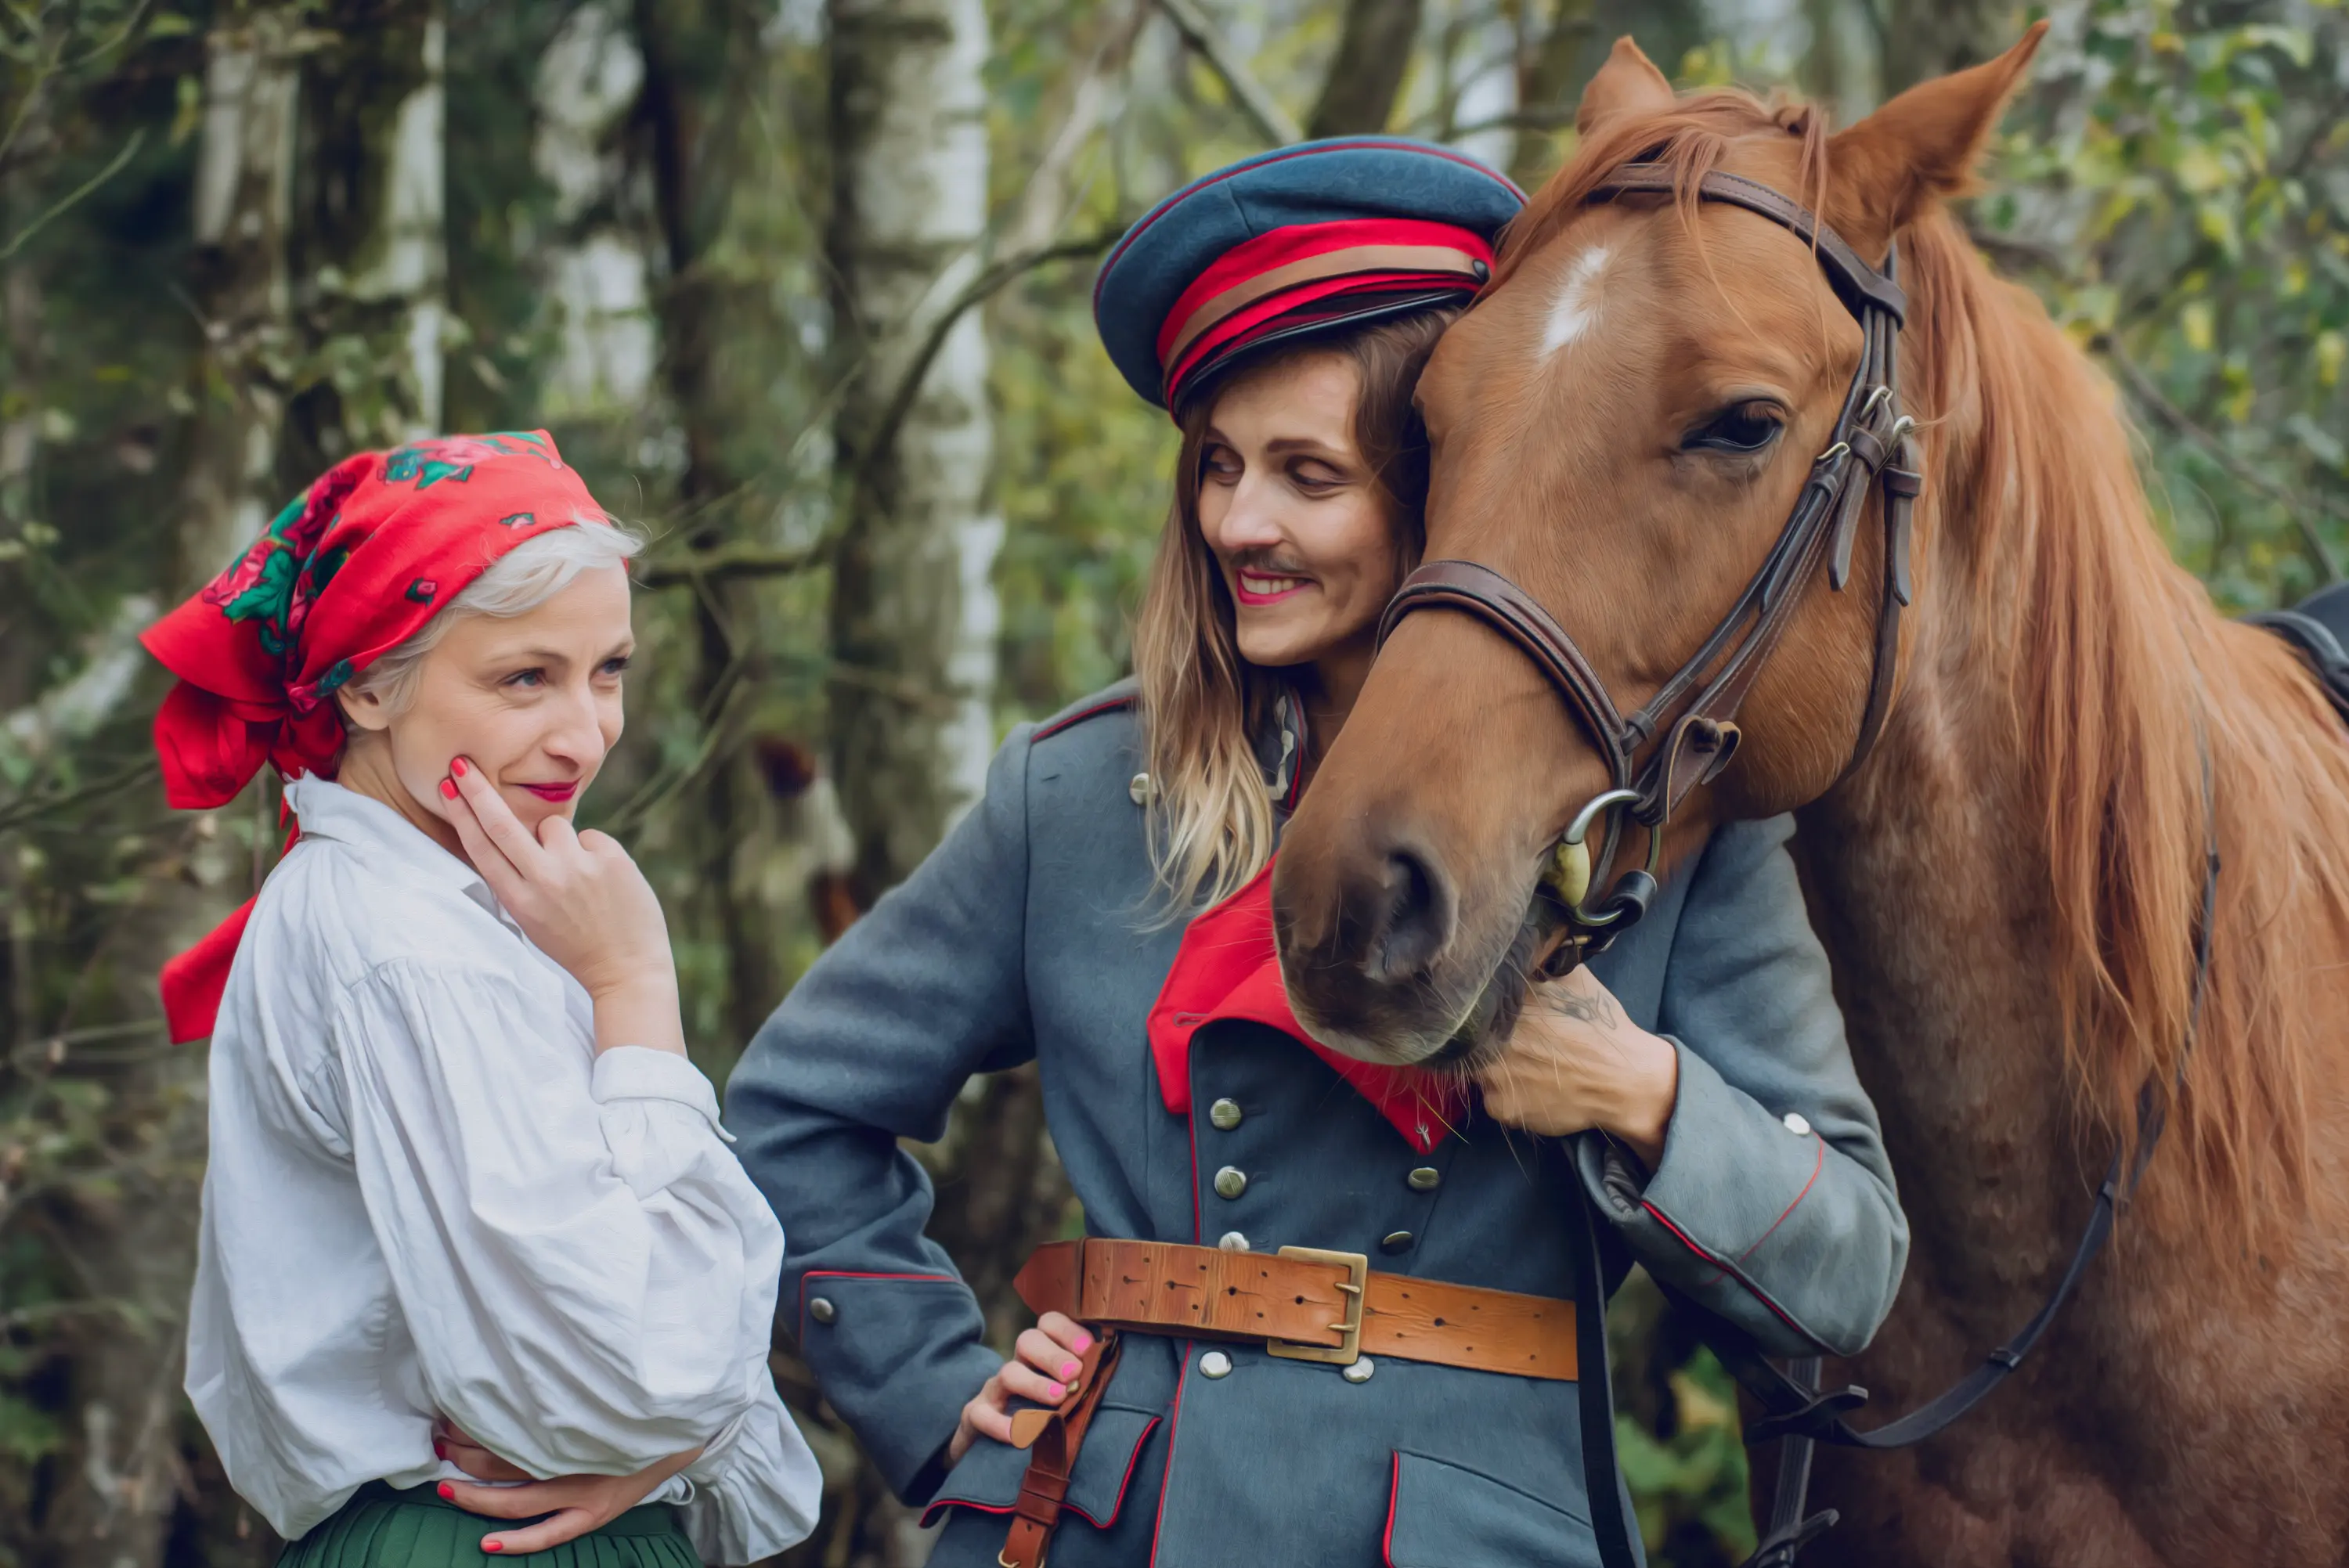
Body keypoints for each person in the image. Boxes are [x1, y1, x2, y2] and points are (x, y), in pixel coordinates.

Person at [147, 432, 821, 1566]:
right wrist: (632, 985)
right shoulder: (408, 946)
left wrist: (680, 1431)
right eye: (525, 677)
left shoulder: (457, 912)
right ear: (367, 682)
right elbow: (631, 1371)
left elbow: (675, 1395)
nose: (584, 734)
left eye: (608, 669)